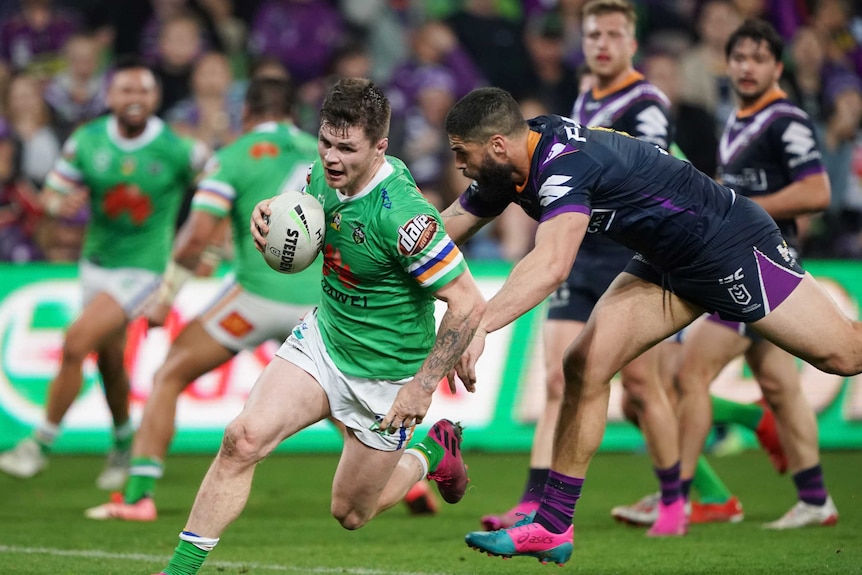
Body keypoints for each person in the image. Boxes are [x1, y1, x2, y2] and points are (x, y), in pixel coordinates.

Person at [439, 86, 862, 565]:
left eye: (461, 153)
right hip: (667, 260)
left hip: (728, 242)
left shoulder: (563, 164)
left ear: (496, 145)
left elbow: (552, 263)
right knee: (584, 364)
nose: (457, 164)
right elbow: (445, 227)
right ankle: (552, 527)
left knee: (844, 355)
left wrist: (480, 325)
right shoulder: (510, 163)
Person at [150, 77, 486, 575]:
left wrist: (421, 388)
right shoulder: (317, 176)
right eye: (326, 142)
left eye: (346, 149)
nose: (331, 158)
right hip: (323, 344)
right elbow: (302, 227)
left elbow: (466, 300)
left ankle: (431, 451)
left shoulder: (404, 218)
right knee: (242, 439)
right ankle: (178, 570)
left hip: (388, 376)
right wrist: (267, 218)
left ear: (380, 148)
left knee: (351, 513)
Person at [480, 0, 687, 538]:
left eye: (613, 34)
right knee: (557, 379)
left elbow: (651, 171)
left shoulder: (646, 103)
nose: (602, 43)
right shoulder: (582, 98)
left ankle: (672, 503)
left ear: (631, 43)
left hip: (632, 253)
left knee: (641, 386)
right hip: (580, 252)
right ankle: (532, 504)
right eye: (594, 33)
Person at [81, 75, 318, 521]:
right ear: (293, 114)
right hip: (319, 307)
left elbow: (194, 241)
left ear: (246, 113)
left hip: (254, 302)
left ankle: (138, 497)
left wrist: (165, 296)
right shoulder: (326, 157)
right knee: (339, 398)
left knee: (169, 373)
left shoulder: (232, 157)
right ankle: (407, 488)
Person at [0, 56, 208, 489]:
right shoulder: (86, 140)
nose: (135, 99)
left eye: (143, 91)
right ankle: (123, 442)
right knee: (110, 362)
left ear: (155, 98)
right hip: (95, 264)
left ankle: (39, 443)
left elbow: (218, 187)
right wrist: (59, 204)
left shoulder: (176, 147)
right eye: (126, 90)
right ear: (110, 96)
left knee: (75, 341)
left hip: (143, 269)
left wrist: (204, 242)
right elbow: (54, 191)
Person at [674, 19, 838, 530]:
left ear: (777, 66)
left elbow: (817, 192)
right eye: (739, 57)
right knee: (779, 386)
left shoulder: (785, 119)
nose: (746, 67)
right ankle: (815, 499)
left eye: (758, 58)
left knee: (689, 374)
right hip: (748, 262)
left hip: (762, 268)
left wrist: (740, 207)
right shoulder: (740, 118)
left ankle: (677, 499)